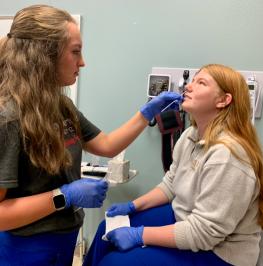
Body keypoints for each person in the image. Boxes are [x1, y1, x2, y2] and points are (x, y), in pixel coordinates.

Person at [0, 4, 183, 266]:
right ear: (45, 55)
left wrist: (146, 114)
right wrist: (65, 195)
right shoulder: (7, 117)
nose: (82, 62)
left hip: (63, 238)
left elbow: (106, 145)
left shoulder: (61, 107)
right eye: (75, 52)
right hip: (25, 249)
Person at [84, 64, 263, 266]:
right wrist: (133, 206)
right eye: (193, 80)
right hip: (185, 218)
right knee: (106, 229)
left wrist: (140, 235)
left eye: (201, 83)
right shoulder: (191, 136)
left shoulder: (228, 156)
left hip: (220, 251)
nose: (189, 86)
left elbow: (204, 233)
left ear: (224, 100)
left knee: (114, 263)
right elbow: (171, 184)